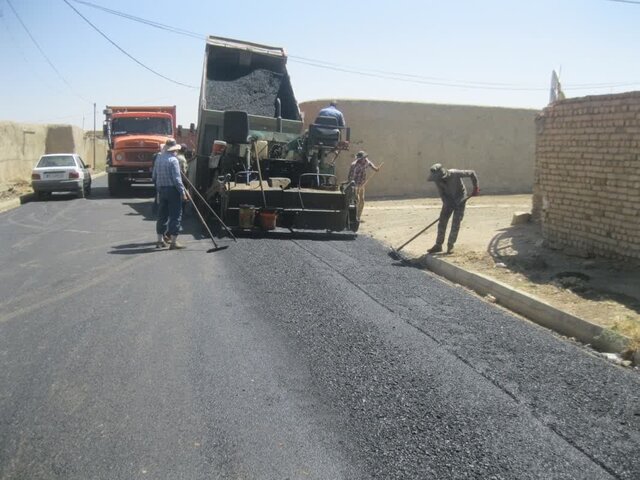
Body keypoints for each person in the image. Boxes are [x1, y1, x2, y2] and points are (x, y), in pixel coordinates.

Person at [426, 163, 480, 254]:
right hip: (448, 201)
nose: (438, 180)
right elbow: (442, 194)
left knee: (455, 223)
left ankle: (450, 245)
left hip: (460, 199)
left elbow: (472, 173)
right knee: (442, 222)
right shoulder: (437, 180)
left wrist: (476, 187)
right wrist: (448, 204)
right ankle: (438, 245)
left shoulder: (455, 173)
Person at [152, 138, 190, 250]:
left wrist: (158, 189)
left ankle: (160, 241)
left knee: (162, 216)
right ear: (174, 150)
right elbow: (177, 179)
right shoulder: (173, 160)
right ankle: (173, 242)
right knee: (175, 215)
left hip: (161, 190)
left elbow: (154, 176)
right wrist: (183, 192)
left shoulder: (158, 158)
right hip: (173, 190)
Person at [348, 151, 381, 222]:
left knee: (362, 201)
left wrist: (375, 168)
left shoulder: (366, 161)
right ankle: (354, 217)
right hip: (355, 185)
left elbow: (370, 164)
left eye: (364, 158)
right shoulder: (354, 165)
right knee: (357, 200)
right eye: (362, 158)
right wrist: (353, 185)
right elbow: (351, 177)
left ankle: (358, 217)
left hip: (362, 184)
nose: (364, 159)